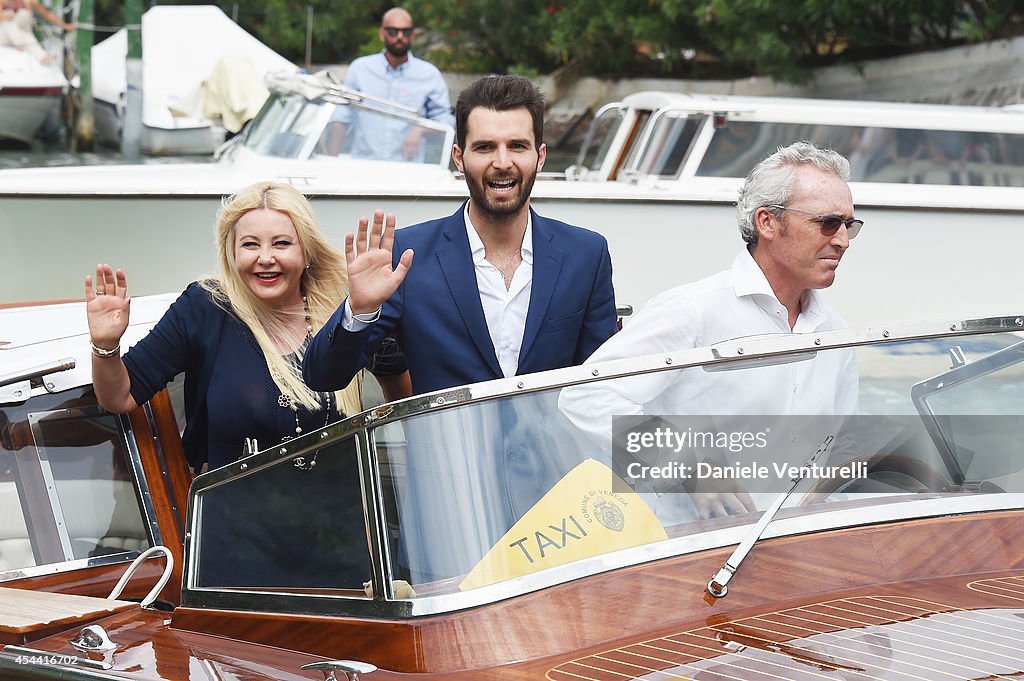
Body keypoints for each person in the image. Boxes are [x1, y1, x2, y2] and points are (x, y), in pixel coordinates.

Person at [559, 140, 862, 519]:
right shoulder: (692, 310)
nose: (843, 240)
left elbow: (841, 445)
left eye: (849, 224)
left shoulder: (837, 331)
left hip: (795, 548)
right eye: (827, 223)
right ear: (767, 222)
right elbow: (587, 395)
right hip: (685, 550)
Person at [303, 73, 617, 396]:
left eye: (517, 146)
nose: (502, 162)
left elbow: (606, 387)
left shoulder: (586, 255)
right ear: (459, 158)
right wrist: (359, 311)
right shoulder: (407, 257)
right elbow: (322, 377)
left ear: (540, 157)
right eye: (484, 147)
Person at [85, 181, 397, 473]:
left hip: (338, 521)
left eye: (282, 243)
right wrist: (105, 346)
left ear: (306, 252)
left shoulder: (347, 309)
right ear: (232, 253)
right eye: (250, 245)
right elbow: (119, 397)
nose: (265, 258)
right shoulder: (205, 306)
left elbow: (404, 395)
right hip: (233, 521)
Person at [322, 6, 454, 161]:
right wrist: (331, 161)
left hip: (410, 169)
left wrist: (419, 130)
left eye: (405, 32)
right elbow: (341, 117)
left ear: (412, 36)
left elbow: (446, 119)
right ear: (382, 33)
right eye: (393, 31)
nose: (399, 36)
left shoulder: (429, 74)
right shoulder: (360, 69)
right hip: (364, 166)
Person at [0, 0, 73, 65]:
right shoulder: (2, 1)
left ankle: (43, 57)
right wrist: (4, 16)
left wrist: (65, 26)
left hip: (25, 36)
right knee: (8, 22)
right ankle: (22, 44)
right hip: (5, 36)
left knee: (24, 27)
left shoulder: (30, 1)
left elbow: (47, 15)